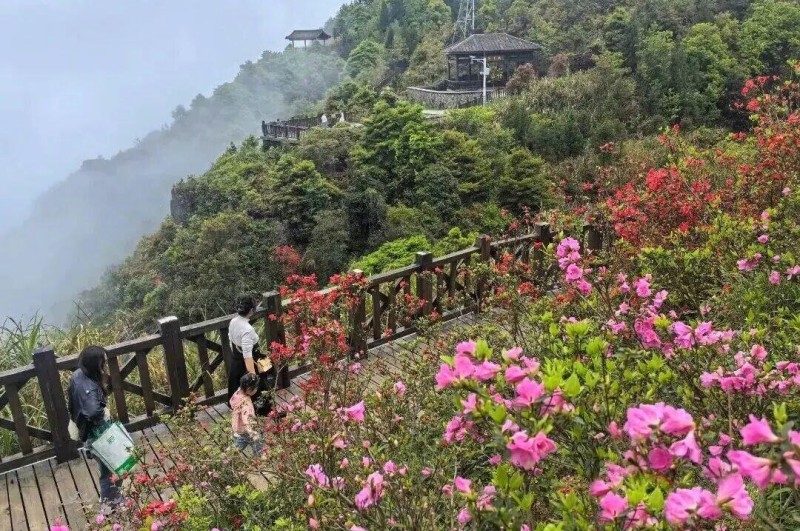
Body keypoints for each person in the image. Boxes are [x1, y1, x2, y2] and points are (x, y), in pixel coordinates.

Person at [67, 345, 122, 507]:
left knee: (108, 467)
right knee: (110, 469)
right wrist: (104, 412)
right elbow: (92, 412)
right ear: (96, 365)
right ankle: (110, 505)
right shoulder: (90, 386)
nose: (105, 364)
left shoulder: (77, 375)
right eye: (103, 362)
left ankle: (111, 498)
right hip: (97, 434)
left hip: (86, 432)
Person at [228, 294, 260, 405]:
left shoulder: (233, 321)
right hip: (248, 362)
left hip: (236, 359)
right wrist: (253, 378)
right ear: (251, 310)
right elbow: (247, 355)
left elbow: (230, 339)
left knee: (236, 387)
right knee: (253, 392)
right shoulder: (247, 329)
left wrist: (236, 354)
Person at [230, 373, 264, 455]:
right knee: (258, 444)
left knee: (238, 444)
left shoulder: (238, 392)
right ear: (249, 389)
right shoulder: (246, 405)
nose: (257, 389)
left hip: (239, 427)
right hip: (247, 430)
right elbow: (247, 420)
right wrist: (253, 433)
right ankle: (260, 460)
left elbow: (231, 402)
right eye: (256, 388)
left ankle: (227, 458)